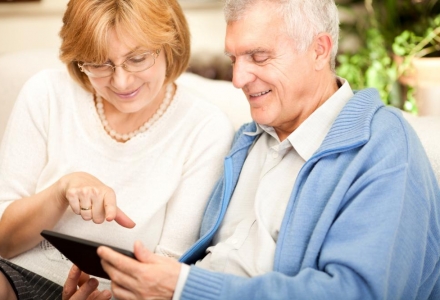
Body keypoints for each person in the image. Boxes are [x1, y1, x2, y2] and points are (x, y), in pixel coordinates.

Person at [66, 0, 439, 299]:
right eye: (234, 59)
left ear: (319, 50)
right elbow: (200, 261)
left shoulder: (382, 147)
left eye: (258, 57)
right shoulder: (246, 141)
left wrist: (183, 288)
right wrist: (127, 284)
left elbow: (357, 292)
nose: (238, 79)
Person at [0, 0, 235, 298]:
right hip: (17, 273)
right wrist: (62, 191)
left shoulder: (205, 128)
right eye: (99, 63)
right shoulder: (45, 94)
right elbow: (4, 242)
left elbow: (167, 269)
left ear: (170, 44)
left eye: (137, 59)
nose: (121, 82)